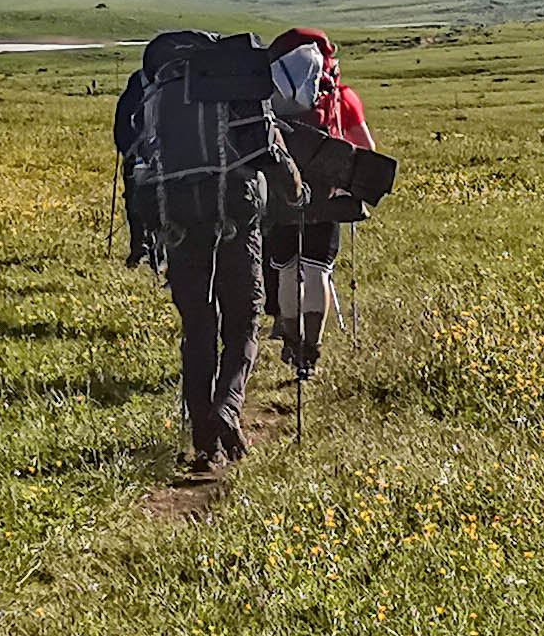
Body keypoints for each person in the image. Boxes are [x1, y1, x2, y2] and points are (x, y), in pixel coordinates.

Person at [119, 33, 278, 476]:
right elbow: (266, 147)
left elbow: (137, 159)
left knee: (198, 325)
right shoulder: (233, 87)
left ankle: (204, 437)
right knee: (244, 317)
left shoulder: (156, 97)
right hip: (236, 216)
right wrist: (295, 186)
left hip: (178, 218)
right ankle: (228, 408)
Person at [262, 26, 373, 380]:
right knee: (316, 270)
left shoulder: (270, 93)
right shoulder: (342, 96)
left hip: (282, 192)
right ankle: (310, 351)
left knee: (286, 269)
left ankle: (290, 342)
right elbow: (366, 149)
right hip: (327, 194)